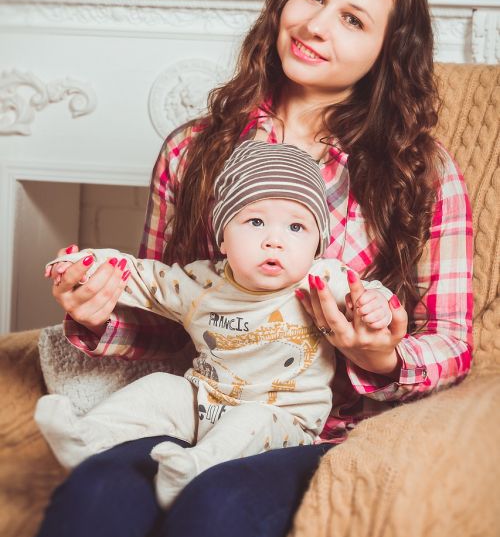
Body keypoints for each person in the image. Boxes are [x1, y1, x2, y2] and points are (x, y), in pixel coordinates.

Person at [15, 0, 472, 537]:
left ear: (387, 51)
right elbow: (173, 316)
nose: (316, 23)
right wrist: (98, 312)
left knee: (217, 507)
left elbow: (453, 341)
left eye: (353, 18)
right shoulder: (193, 150)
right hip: (204, 400)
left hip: (314, 426)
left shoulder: (422, 173)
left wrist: (380, 357)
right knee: (95, 493)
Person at [37, 140, 393, 508]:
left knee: (251, 419)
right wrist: (88, 264)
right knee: (160, 387)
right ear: (223, 237)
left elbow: (365, 294)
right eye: (255, 221)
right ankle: (86, 437)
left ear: (318, 243)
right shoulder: (201, 283)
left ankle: (193, 469)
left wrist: (375, 305)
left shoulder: (322, 280)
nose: (275, 240)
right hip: (205, 403)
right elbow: (141, 276)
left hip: (282, 422)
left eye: (297, 227)